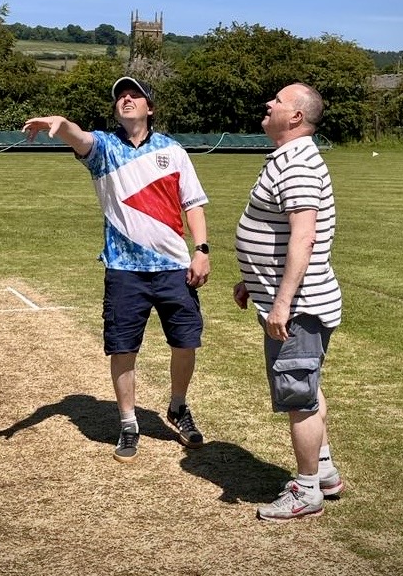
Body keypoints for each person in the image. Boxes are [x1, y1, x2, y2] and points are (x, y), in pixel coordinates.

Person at [23, 77, 211, 464]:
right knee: (124, 349)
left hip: (174, 267)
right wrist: (62, 125)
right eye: (120, 97)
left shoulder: (173, 151)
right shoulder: (105, 148)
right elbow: (80, 139)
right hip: (124, 269)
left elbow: (193, 203)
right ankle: (128, 422)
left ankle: (177, 407)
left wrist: (202, 250)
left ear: (150, 107)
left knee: (186, 343)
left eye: (134, 95)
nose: (126, 99)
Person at [232, 82, 343, 522]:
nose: (269, 104)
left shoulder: (297, 163)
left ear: (295, 116)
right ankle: (327, 473)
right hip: (292, 301)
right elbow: (276, 232)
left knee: (299, 396)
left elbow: (304, 235)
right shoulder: (289, 158)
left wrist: (281, 304)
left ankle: (306, 490)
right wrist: (252, 282)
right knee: (308, 387)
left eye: (277, 101)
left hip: (299, 309)